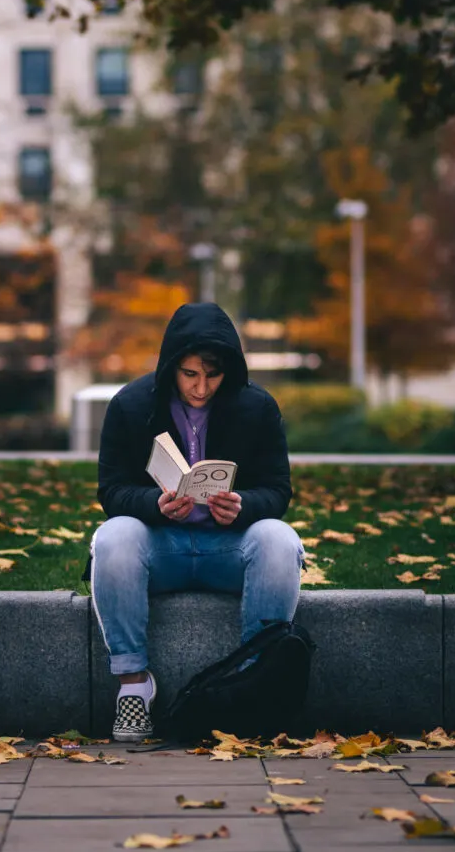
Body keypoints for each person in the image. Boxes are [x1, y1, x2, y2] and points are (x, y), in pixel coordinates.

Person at [89, 302, 304, 741]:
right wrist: (155, 504)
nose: (202, 388)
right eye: (190, 374)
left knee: (279, 540)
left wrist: (243, 505)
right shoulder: (131, 406)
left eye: (213, 375)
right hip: (160, 547)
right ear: (171, 366)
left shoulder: (256, 407)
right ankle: (133, 686)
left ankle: (253, 679)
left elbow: (278, 489)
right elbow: (111, 490)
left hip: (228, 548)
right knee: (113, 537)